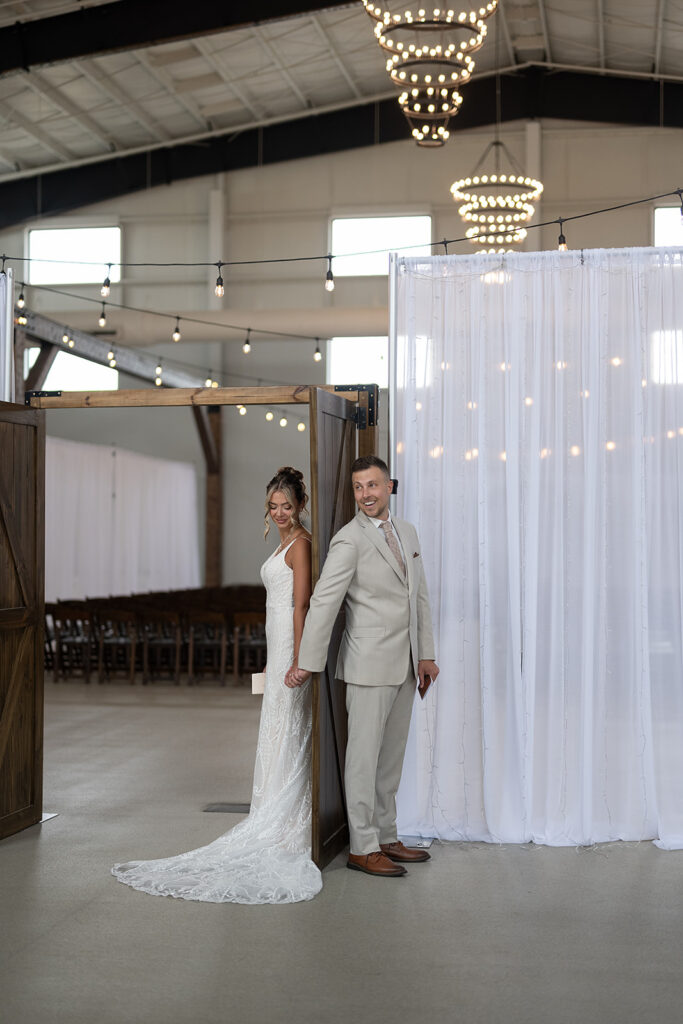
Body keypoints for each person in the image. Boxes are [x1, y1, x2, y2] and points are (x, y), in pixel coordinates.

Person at [112, 467, 322, 904]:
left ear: (300, 506)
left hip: (290, 641)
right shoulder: (282, 541)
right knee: (276, 723)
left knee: (290, 724)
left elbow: (301, 603)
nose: (280, 513)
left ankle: (287, 818)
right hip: (276, 640)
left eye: (287, 506)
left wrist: (301, 658)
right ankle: (269, 808)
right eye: (273, 506)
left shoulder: (300, 544)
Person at [287, 454, 439, 878]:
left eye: (372, 485)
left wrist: (426, 654)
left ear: (389, 486)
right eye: (358, 487)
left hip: (408, 665)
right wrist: (308, 663)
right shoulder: (348, 540)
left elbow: (419, 597)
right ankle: (363, 846)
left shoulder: (406, 532)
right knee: (363, 760)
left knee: (390, 760)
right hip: (368, 665)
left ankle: (387, 836)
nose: (365, 494)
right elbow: (324, 602)